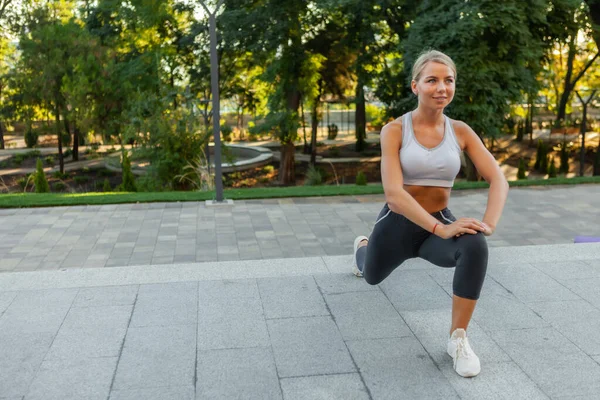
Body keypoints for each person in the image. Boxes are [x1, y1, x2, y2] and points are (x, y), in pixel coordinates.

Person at [352, 49, 509, 378]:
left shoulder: (461, 131)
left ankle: (458, 339)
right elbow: (394, 195)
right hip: (397, 225)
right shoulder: (394, 130)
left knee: (475, 244)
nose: (442, 87)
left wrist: (488, 224)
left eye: (448, 80)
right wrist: (441, 230)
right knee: (371, 276)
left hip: (439, 221)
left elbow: (498, 179)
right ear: (415, 86)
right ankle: (362, 249)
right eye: (432, 80)